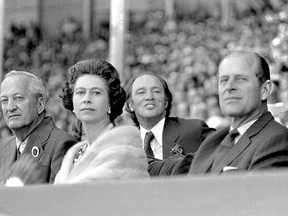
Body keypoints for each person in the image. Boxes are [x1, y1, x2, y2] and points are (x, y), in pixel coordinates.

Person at [149, 50, 288, 175]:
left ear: (265, 90)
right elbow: (179, 167)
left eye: (241, 79)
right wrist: (135, 159)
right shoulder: (217, 138)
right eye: (224, 80)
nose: (229, 87)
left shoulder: (277, 139)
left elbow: (256, 200)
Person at [54, 59, 149, 184]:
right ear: (72, 101)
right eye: (80, 92)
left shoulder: (125, 154)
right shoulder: (74, 154)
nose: (87, 99)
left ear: (110, 102)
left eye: (96, 93)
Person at [0, 70, 77, 185]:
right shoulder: (3, 147)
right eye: (4, 100)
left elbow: (59, 199)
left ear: (40, 104)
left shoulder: (61, 144)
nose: (10, 107)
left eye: (18, 98)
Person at [125, 72, 215, 160]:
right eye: (141, 92)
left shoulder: (195, 131)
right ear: (130, 105)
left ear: (166, 102)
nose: (149, 97)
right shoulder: (124, 144)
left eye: (156, 91)